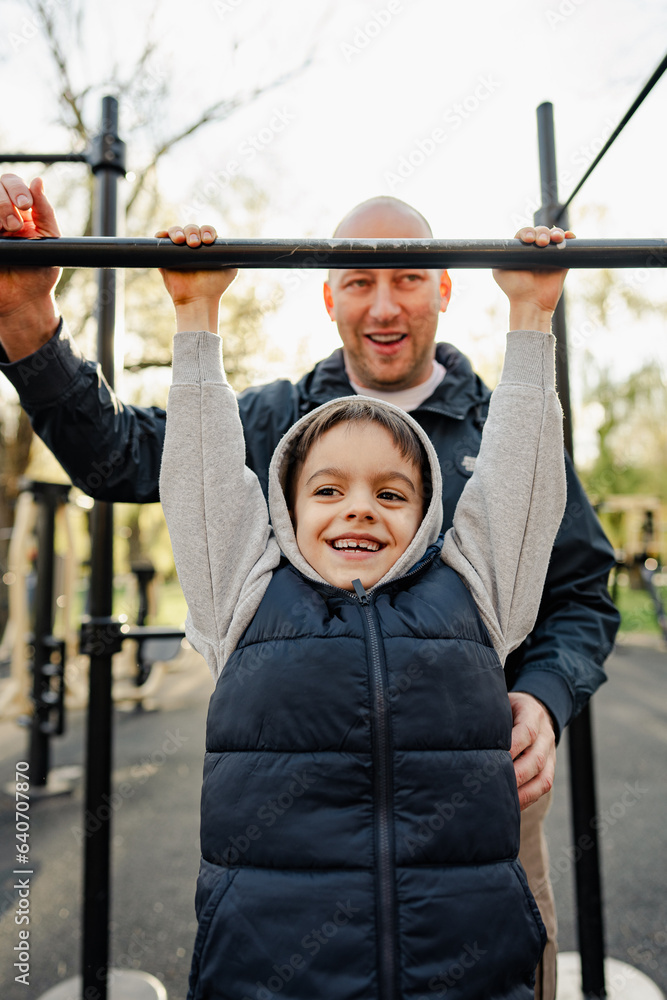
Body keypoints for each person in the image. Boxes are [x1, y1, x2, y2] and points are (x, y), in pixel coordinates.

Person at [0, 175, 620, 999]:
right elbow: (127, 455)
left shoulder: (501, 436)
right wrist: (29, 327)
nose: (384, 305)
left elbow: (580, 592)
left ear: (443, 287)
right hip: (297, 822)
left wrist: (541, 696)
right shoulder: (276, 421)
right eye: (359, 280)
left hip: (480, 791)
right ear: (328, 298)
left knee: (504, 960)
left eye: (405, 277)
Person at [156, 239, 567, 998]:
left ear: (425, 517)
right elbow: (202, 474)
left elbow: (520, 477)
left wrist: (530, 313)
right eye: (327, 490)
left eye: (388, 494)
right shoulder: (243, 598)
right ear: (284, 508)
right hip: (278, 971)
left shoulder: (474, 595)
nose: (357, 507)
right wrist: (195, 312)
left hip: (459, 968)